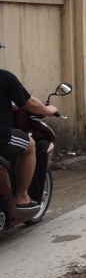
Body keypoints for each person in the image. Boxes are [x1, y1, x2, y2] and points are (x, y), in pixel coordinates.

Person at [1, 68, 58, 211]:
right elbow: (30, 102)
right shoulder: (4, 77)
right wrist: (49, 110)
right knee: (30, 145)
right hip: (1, 139)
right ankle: (22, 197)